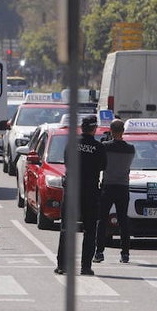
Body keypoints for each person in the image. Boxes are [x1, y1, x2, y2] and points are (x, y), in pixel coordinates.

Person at [55, 115, 106, 275]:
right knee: (90, 231)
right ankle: (86, 266)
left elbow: (67, 162)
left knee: (66, 229)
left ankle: (62, 265)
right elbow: (103, 166)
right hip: (90, 193)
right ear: (94, 128)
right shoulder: (98, 147)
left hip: (72, 191)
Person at [95, 117, 135, 264]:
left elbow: (101, 163)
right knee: (123, 220)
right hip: (123, 187)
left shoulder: (104, 146)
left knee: (102, 220)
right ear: (123, 131)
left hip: (108, 186)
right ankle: (125, 253)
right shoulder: (131, 148)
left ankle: (99, 252)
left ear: (111, 131)